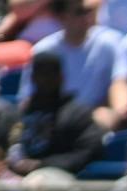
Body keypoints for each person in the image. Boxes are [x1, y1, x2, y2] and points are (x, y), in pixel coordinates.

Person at [32, 0, 127, 127]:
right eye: (79, 12)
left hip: (94, 120)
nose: (87, 17)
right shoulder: (44, 51)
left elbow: (120, 81)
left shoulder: (110, 42)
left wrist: (119, 111)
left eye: (89, 11)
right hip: (55, 121)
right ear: (62, 17)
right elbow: (28, 98)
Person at [6, 50, 105, 179]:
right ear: (32, 77)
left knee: (36, 184)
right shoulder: (20, 112)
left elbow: (90, 151)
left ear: (61, 77)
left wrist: (42, 164)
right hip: (15, 174)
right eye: (40, 74)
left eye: (50, 74)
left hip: (58, 175)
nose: (45, 79)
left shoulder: (77, 113)